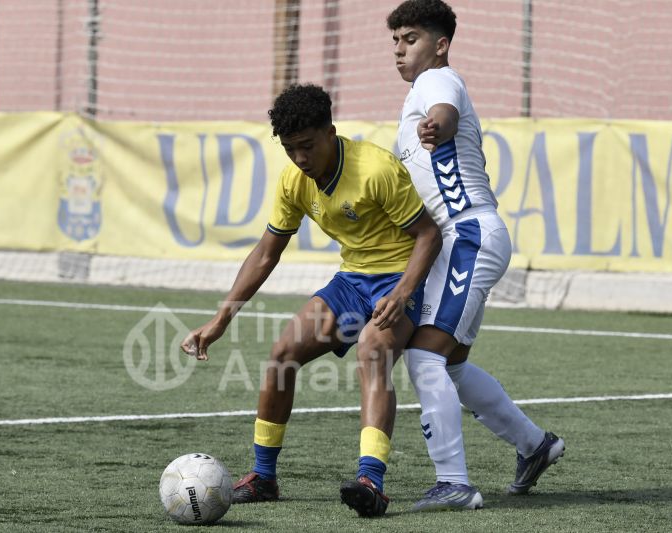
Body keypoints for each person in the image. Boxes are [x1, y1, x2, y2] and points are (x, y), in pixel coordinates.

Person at [181, 83, 442, 517]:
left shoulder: (376, 168)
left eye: (307, 146)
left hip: (400, 278)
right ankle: (264, 477)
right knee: (283, 352)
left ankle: (371, 482)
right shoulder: (294, 180)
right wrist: (220, 319)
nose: (300, 158)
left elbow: (428, 235)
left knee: (373, 350)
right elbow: (267, 252)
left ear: (331, 132)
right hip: (351, 282)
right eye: (289, 149)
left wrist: (402, 292)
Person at [386, 0, 565, 511]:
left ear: (439, 45)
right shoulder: (416, 97)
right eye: (396, 41)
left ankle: (454, 482)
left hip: (468, 236)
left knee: (423, 355)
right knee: (453, 363)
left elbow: (443, 112)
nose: (401, 50)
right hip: (458, 242)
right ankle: (535, 446)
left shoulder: (436, 82)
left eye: (412, 38)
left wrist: (435, 126)